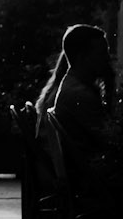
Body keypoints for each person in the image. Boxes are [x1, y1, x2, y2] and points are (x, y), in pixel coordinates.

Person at [36, 23, 113, 178]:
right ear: (82, 57)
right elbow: (110, 139)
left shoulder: (71, 86)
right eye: (101, 53)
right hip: (87, 178)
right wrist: (111, 88)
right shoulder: (80, 95)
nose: (107, 59)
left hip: (75, 172)